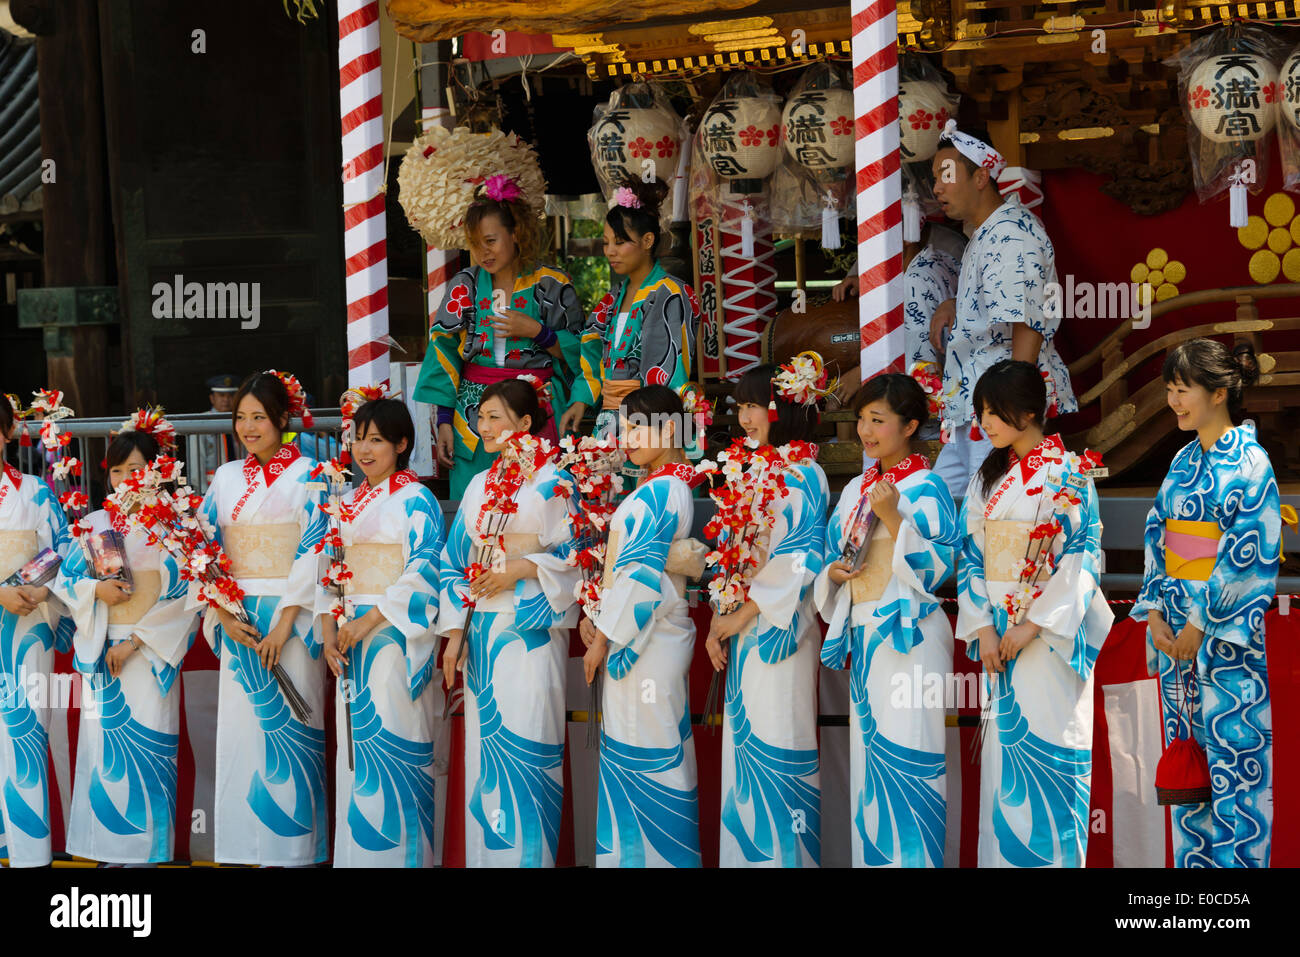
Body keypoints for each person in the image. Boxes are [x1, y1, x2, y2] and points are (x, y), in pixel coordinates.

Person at [955, 359, 1111, 867]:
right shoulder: (989, 477)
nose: (986, 423)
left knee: (1049, 749)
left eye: (994, 412)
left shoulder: (1068, 473)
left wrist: (1033, 624)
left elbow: (1083, 553)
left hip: (1046, 636)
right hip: (998, 634)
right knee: (1005, 763)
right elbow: (970, 553)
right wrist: (981, 625)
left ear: (1027, 412)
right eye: (981, 412)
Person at [1131, 339, 1280, 868]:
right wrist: (1153, 611)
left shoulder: (1252, 463)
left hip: (1224, 642)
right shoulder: (1183, 458)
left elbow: (1249, 553)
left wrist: (1200, 622)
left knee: (1235, 766)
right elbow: (1157, 533)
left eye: (1182, 390)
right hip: (1176, 636)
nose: (1173, 401)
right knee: (1187, 772)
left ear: (1218, 393)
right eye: (1169, 390)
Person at [814, 373, 960, 867]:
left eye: (878, 420)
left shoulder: (929, 486)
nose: (866, 431)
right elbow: (836, 556)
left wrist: (896, 517)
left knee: (911, 758)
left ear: (910, 425)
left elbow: (941, 569)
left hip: (910, 635)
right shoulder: (858, 485)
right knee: (872, 769)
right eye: (861, 420)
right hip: (866, 634)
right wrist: (832, 573)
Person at [438, 378, 580, 867]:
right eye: (481, 417)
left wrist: (521, 568)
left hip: (530, 629)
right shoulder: (479, 483)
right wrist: (455, 636)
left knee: (529, 744)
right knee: (487, 753)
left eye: (495, 416)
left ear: (524, 423)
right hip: (483, 633)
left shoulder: (555, 479)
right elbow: (454, 561)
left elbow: (578, 553)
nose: (484, 426)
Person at [195, 370, 329, 866]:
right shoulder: (226, 478)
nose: (249, 427)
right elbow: (201, 546)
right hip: (239, 614)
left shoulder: (313, 474)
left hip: (288, 616)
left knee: (292, 726)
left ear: (282, 420)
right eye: (241, 418)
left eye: (259, 417)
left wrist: (286, 620)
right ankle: (240, 846)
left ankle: (294, 851)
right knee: (241, 730)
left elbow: (317, 547)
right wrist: (223, 612)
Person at [54, 412, 197, 865]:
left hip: (147, 652)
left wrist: (135, 642)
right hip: (103, 647)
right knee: (102, 751)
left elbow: (183, 597)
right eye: (117, 471)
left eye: (136, 469)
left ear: (156, 470)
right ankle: (107, 849)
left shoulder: (174, 528)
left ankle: (147, 851)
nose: (125, 479)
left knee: (152, 745)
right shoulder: (94, 523)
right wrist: (95, 589)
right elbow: (66, 582)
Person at [703, 360, 829, 868]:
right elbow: (732, 553)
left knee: (780, 742)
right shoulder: (749, 470)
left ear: (786, 408)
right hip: (743, 625)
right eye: (742, 406)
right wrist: (721, 617)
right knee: (747, 750)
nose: (746, 417)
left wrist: (743, 612)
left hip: (782, 626)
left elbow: (802, 555)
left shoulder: (804, 472)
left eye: (756, 405)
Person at [319, 397, 446, 868]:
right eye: (358, 438)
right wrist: (331, 632)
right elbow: (328, 571)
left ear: (402, 444)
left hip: (392, 636)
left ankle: (404, 858)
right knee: (355, 753)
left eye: (376, 439)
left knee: (394, 738)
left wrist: (369, 620)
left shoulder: (417, 499)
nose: (364, 449)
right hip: (349, 638)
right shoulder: (344, 502)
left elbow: (424, 569)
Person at [583, 385, 704, 867]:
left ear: (670, 429)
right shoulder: (662, 485)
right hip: (643, 632)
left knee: (649, 749)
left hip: (645, 639)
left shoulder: (662, 489)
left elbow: (638, 577)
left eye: (638, 426)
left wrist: (602, 641)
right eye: (624, 426)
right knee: (642, 747)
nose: (626, 438)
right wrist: (599, 620)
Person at [414, 175, 586, 501]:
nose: (483, 252)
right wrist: (445, 421)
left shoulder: (551, 284)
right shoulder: (464, 285)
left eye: (490, 240)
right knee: (475, 504)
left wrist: (538, 332)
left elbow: (584, 352)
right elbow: (444, 352)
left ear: (515, 233)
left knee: (540, 501)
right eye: (475, 243)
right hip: (474, 418)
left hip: (536, 411)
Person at [927, 122, 1076, 498]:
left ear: (980, 177)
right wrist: (953, 304)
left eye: (947, 175)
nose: (937, 187)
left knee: (997, 515)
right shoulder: (988, 231)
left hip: (1000, 409)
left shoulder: (1011, 232)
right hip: (976, 406)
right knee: (941, 507)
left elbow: (1025, 322)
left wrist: (1011, 409)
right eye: (935, 178)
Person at [560, 179, 702, 445]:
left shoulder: (671, 293)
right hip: (611, 421)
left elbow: (672, 372)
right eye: (606, 242)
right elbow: (589, 353)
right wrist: (581, 399)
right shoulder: (611, 299)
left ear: (647, 240)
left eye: (620, 241)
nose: (610, 251)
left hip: (654, 421)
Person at [0, 394, 71, 868]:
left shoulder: (37, 491)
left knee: (26, 738)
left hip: (28, 628)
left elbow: (62, 550)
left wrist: (38, 589)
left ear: (8, 432)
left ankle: (27, 857)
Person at [830, 225, 964, 442]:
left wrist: (863, 372)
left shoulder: (917, 278)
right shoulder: (924, 263)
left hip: (921, 418)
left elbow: (918, 357)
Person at [201, 374, 240, 487]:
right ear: (212, 398)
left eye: (231, 395)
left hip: (241, 485)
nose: (226, 400)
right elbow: (196, 463)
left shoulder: (243, 420)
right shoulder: (201, 422)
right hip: (212, 487)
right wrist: (202, 493)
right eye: (221, 395)